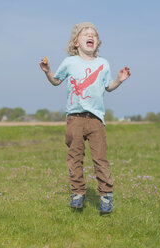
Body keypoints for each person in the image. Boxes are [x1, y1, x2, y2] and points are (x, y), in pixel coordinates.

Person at [39, 22, 131, 213]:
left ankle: (106, 195)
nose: (91, 36)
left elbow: (108, 86)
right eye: (86, 34)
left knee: (100, 158)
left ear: (97, 43)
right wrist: (48, 71)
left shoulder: (103, 63)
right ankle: (78, 193)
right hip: (75, 118)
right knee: (74, 157)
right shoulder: (69, 62)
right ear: (76, 43)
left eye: (94, 35)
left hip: (96, 119)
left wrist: (119, 81)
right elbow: (56, 81)